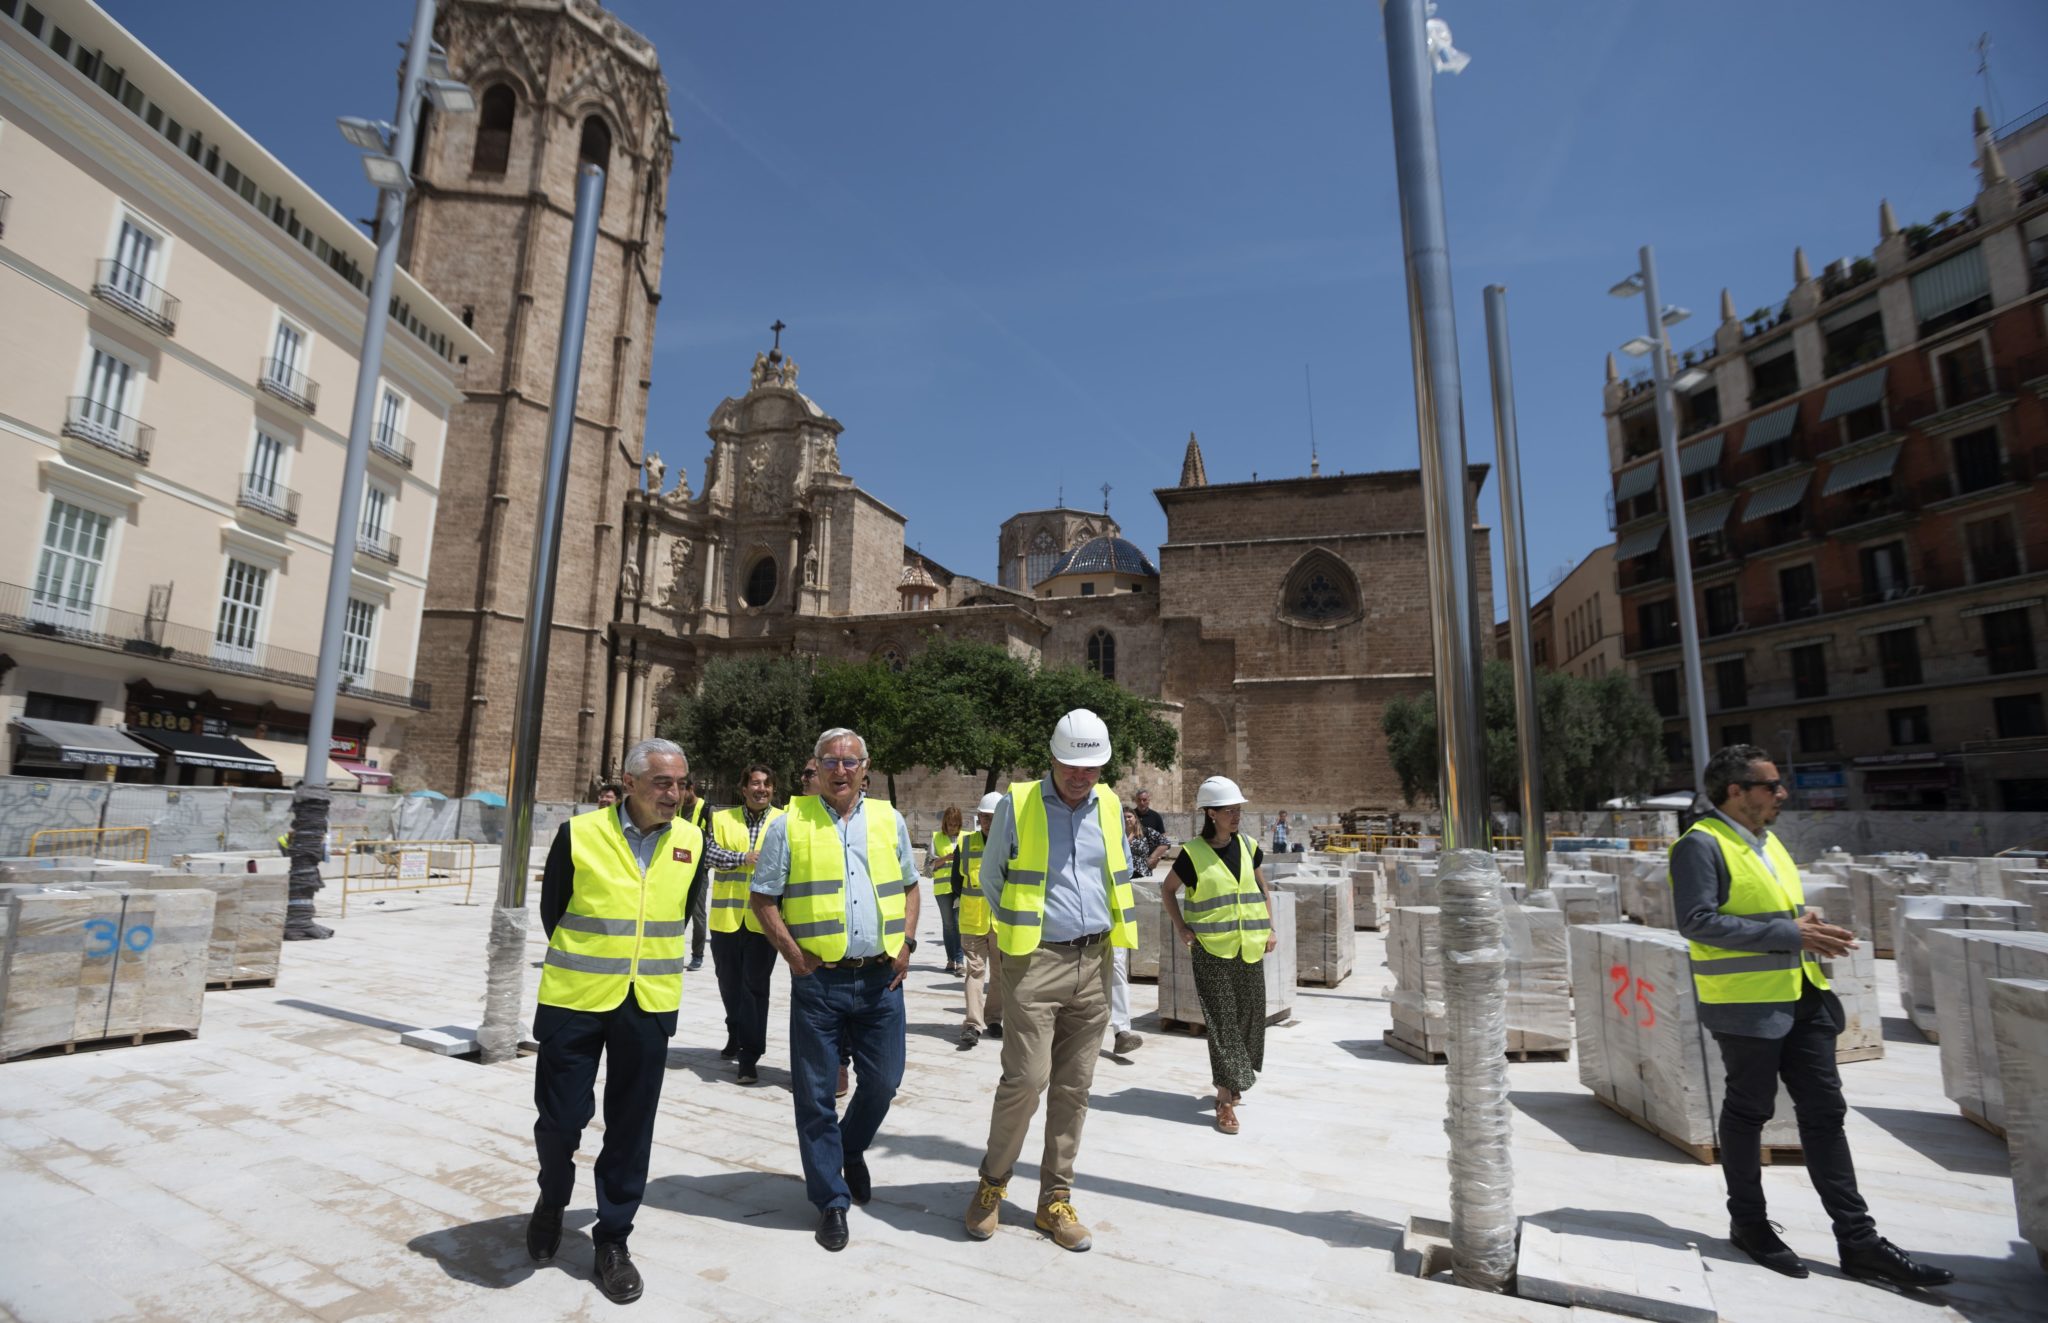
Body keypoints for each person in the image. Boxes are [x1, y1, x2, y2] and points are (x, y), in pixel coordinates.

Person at [1672, 744, 1953, 1291]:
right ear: (1736, 791)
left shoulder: (1769, 842)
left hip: (1804, 996)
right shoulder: (1699, 844)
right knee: (1748, 1112)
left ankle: (1859, 1241)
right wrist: (1789, 932)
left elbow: (1768, 913)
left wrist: (1805, 922)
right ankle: (1749, 1224)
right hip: (1746, 1004)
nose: (1781, 793)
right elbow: (1697, 922)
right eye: (1771, 785)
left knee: (1826, 1113)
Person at [527, 737, 704, 1305]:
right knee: (560, 1119)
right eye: (662, 783)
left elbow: (678, 915)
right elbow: (554, 911)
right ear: (629, 783)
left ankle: (613, 1239)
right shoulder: (578, 833)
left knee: (631, 1129)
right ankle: (553, 1199)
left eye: (680, 784)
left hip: (648, 1004)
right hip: (575, 1000)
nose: (674, 794)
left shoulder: (692, 841)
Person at [963, 709, 1137, 1253]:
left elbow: (1120, 870)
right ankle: (992, 1184)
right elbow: (992, 877)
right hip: (1035, 963)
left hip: (1095, 962)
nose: (1081, 777)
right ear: (1053, 759)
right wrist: (1024, 939)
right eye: (1072, 766)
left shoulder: (1109, 804)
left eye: (1092, 768)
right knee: (1027, 1080)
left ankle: (1054, 1200)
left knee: (1074, 1087)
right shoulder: (1018, 804)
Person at [750, 728, 919, 1253]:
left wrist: (907, 943)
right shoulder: (788, 824)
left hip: (880, 979)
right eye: (830, 761)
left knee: (884, 1080)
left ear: (866, 767)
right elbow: (763, 899)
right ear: (816, 767)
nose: (840, 770)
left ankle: (848, 1150)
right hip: (818, 982)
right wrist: (794, 956)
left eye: (849, 761)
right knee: (816, 1094)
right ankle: (830, 1202)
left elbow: (912, 886)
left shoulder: (889, 819)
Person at [1161, 777, 1276, 1134]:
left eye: (1238, 809)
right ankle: (1224, 1101)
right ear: (1211, 814)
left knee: (1249, 1018)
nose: (1236, 815)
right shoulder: (1193, 853)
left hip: (1249, 948)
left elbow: (1262, 889)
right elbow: (1168, 890)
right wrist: (1181, 927)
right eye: (1229, 810)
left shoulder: (1248, 846)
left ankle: (1234, 1078)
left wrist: (1270, 928)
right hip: (1211, 951)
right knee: (1222, 1021)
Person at [708, 765, 784, 1085]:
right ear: (744, 789)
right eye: (755, 783)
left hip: (763, 922)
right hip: (725, 920)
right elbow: (709, 853)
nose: (761, 789)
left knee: (755, 987)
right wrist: (743, 858)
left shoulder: (785, 821)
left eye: (767, 784)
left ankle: (750, 1056)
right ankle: (734, 1031)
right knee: (728, 984)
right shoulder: (722, 819)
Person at [955, 792, 1003, 1048]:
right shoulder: (965, 844)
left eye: (993, 818)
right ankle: (972, 1024)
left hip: (999, 922)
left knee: (999, 974)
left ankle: (994, 1019)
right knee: (975, 972)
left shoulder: (1009, 844)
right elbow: (956, 881)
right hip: (973, 921)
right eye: (984, 817)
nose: (988, 822)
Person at [677, 776, 713, 971]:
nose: (679, 794)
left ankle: (697, 955)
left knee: (698, 913)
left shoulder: (707, 810)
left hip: (700, 869)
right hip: (676, 867)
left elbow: (715, 841)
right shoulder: (677, 808)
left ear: (692, 788)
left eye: (683, 789)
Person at [927, 805, 966, 975]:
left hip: (961, 889)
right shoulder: (936, 838)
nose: (953, 828)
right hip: (942, 890)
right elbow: (927, 868)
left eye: (956, 825)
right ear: (945, 824)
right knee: (948, 925)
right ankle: (951, 960)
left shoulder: (967, 837)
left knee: (958, 924)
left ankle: (960, 960)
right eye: (950, 824)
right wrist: (944, 859)